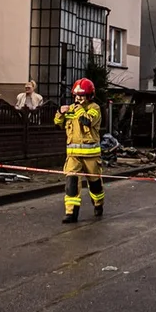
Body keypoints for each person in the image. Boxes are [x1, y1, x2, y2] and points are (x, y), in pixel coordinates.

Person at [54, 78, 105, 223]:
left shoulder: (95, 108)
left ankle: (98, 205)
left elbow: (87, 121)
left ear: (89, 96)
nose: (78, 99)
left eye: (82, 96)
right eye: (76, 96)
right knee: (71, 184)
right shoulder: (72, 108)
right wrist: (60, 112)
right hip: (73, 156)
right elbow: (58, 125)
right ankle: (71, 213)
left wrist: (78, 109)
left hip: (91, 156)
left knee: (95, 184)